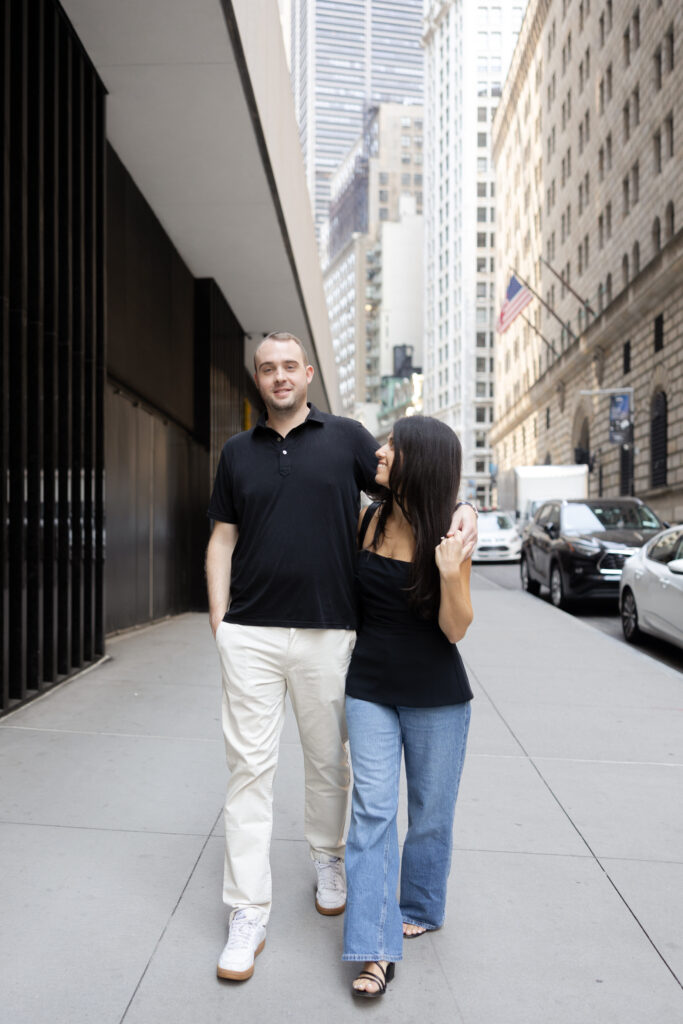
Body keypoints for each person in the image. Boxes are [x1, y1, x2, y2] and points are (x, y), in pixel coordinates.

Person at [205, 333, 478, 982]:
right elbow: (221, 537)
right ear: (256, 375)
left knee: (357, 780)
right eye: (265, 367)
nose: (277, 377)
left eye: (287, 367)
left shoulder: (349, 438)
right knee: (267, 778)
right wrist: (220, 625)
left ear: (305, 374)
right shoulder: (237, 454)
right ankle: (271, 920)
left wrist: (463, 519)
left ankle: (341, 867)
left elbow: (423, 482)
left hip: (350, 648)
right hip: (268, 641)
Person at [342, 415, 474, 998]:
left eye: (393, 445)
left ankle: (420, 902)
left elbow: (455, 629)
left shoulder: (450, 532)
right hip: (369, 686)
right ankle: (374, 948)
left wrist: (451, 575)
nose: (381, 450)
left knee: (431, 813)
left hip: (437, 695)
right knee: (372, 811)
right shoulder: (369, 517)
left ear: (417, 459)